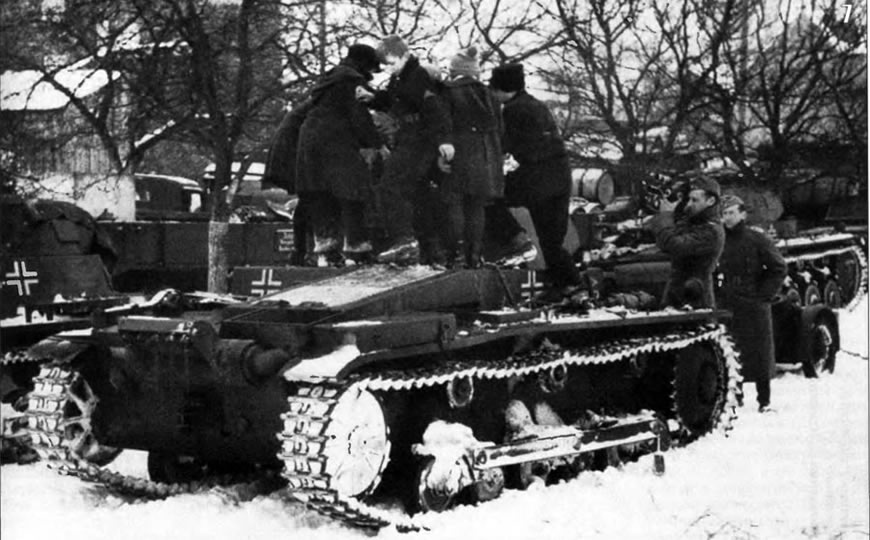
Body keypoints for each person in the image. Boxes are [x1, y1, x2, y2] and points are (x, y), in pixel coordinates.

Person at [487, 63, 579, 294]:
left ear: (502, 89)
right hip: (559, 176)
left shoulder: (512, 110)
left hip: (536, 179)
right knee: (552, 243)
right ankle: (569, 284)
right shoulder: (537, 105)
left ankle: (516, 238)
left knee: (489, 198)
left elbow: (504, 145)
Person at [296, 43, 387, 263]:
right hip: (336, 141)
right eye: (373, 69)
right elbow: (359, 116)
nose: (372, 74)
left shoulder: (330, 78)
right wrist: (378, 144)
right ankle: (358, 248)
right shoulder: (352, 80)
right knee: (353, 192)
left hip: (310, 140)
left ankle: (328, 250)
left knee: (322, 194)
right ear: (365, 63)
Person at [373, 35, 453, 264]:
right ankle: (431, 250)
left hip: (418, 141)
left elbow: (435, 109)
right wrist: (371, 97)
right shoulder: (400, 79)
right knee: (418, 194)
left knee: (391, 185)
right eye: (385, 65)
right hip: (410, 139)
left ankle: (404, 240)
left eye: (391, 62)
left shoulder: (418, 76)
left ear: (405, 56)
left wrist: (444, 140)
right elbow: (391, 101)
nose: (389, 69)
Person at [717, 195, 787, 412]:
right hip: (727, 302)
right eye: (724, 213)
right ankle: (734, 398)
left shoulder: (756, 239)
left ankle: (764, 400)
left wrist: (764, 295)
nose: (727, 218)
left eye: (731, 213)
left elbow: (778, 268)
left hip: (753, 302)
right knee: (730, 350)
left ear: (742, 214)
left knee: (760, 352)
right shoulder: (719, 240)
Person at [438, 47, 503, 268]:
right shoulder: (490, 95)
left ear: (455, 70)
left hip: (460, 156)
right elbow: (500, 131)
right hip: (487, 160)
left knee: (454, 204)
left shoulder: (447, 91)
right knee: (476, 208)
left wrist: (443, 156)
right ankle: (473, 257)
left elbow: (443, 125)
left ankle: (454, 255)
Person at [645, 177, 724, 309]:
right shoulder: (693, 223)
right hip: (678, 293)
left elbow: (674, 245)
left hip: (696, 297)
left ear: (711, 201)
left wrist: (665, 215)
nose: (689, 204)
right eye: (689, 199)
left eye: (695, 200)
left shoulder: (711, 230)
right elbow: (668, 238)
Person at [261, 98, 314, 264]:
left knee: (306, 204)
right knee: (311, 201)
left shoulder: (306, 109)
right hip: (294, 156)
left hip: (289, 156)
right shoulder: (323, 107)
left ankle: (301, 253)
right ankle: (305, 253)